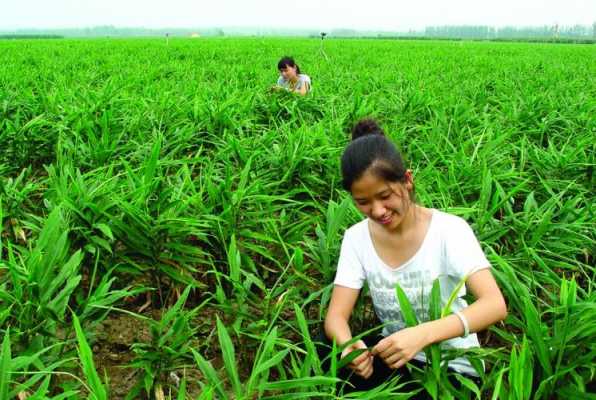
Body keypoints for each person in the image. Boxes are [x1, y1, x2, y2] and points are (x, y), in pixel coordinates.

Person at [322, 118, 508, 396]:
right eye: (363, 202)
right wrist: (348, 345)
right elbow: (336, 316)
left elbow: (494, 304)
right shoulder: (356, 238)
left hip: (450, 366)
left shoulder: (449, 230)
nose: (377, 210)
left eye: (385, 196)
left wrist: (422, 335)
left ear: (407, 181)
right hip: (392, 358)